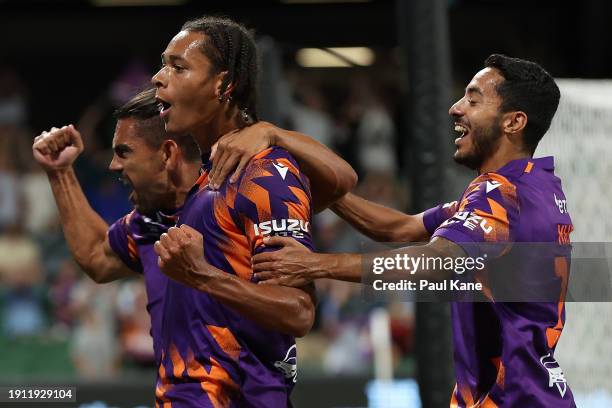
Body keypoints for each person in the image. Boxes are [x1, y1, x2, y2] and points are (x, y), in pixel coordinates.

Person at [210, 54, 574, 407]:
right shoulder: (535, 188)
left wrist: (315, 264)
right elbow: (401, 227)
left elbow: (436, 262)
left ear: (514, 122)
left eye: (473, 100)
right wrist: (329, 192)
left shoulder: (500, 192)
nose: (456, 108)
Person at [33, 87, 356, 404]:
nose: (113, 166)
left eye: (124, 152)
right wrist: (60, 173)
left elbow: (298, 314)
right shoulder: (151, 221)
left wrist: (203, 275)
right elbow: (96, 257)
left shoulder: (247, 194)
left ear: (168, 154)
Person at [150, 16, 357, 407]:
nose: (159, 78)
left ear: (222, 84)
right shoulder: (212, 174)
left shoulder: (264, 171)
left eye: (178, 66)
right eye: (163, 64)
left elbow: (298, 312)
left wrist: (202, 276)